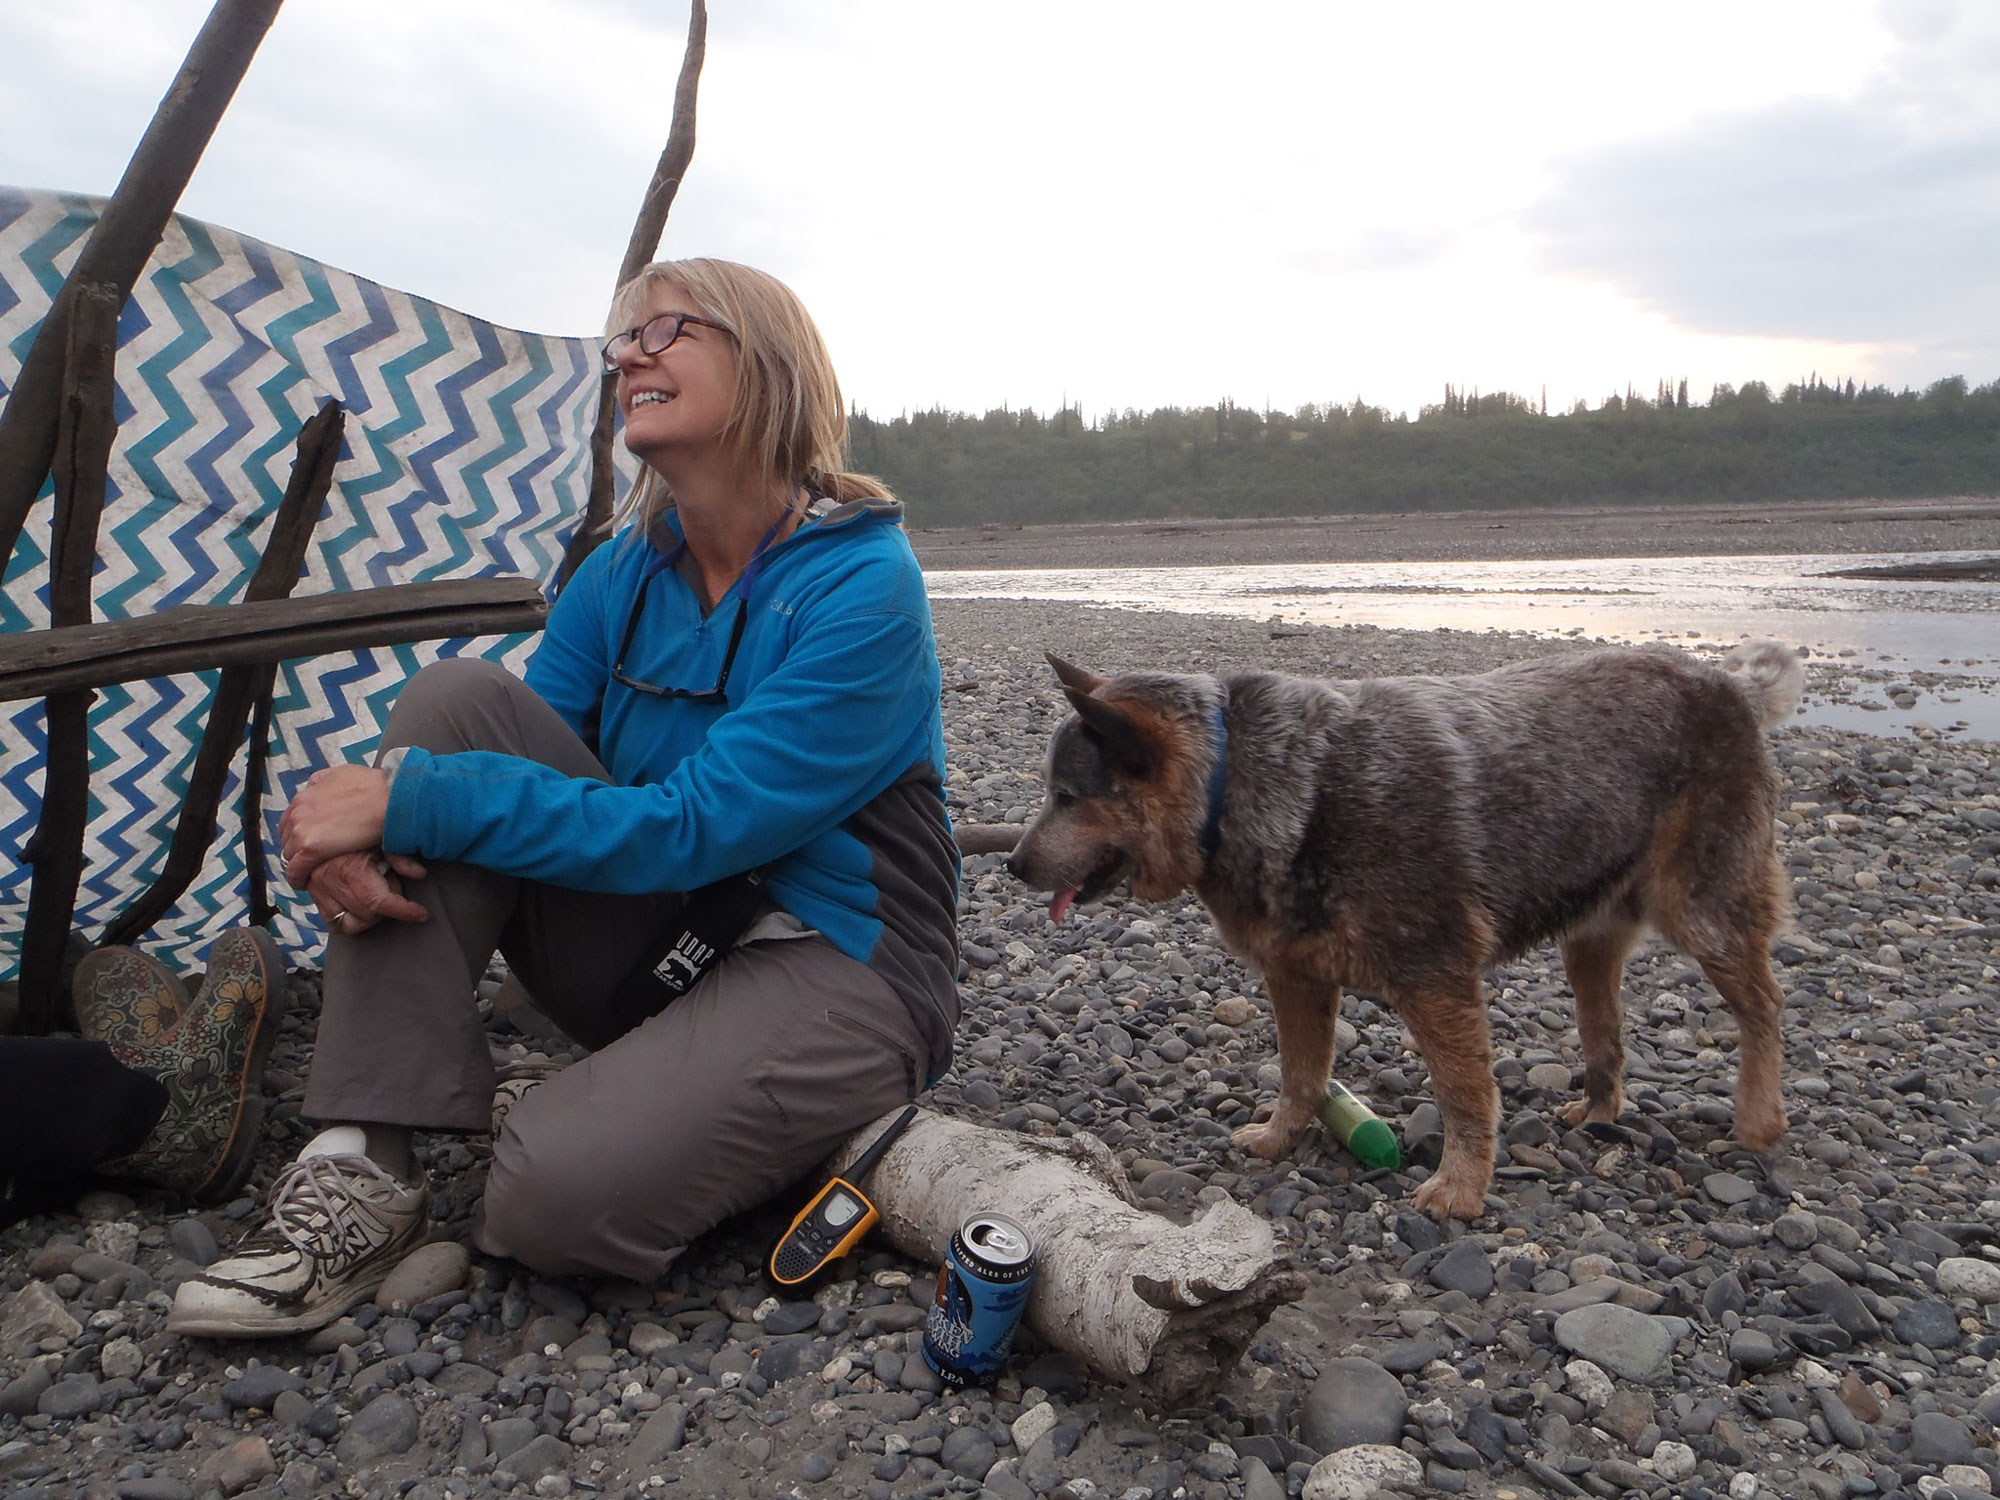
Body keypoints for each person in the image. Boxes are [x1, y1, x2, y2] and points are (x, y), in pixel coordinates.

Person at [168, 259, 960, 1338]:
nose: (628, 355)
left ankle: (793, 1108)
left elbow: (693, 827)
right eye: (620, 341)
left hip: (837, 962)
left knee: (549, 1203)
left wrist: (407, 808)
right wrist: (391, 821)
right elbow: (515, 776)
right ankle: (363, 1158)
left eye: (666, 329)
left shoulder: (861, 586)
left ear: (767, 360)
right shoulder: (620, 575)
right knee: (454, 703)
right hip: (665, 944)